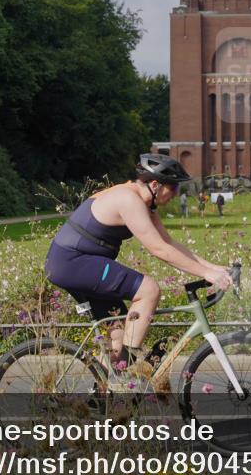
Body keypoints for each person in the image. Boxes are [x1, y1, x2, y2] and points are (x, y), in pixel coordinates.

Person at [44, 154, 232, 385]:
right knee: (149, 290)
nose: (175, 193)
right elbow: (158, 249)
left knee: (119, 335)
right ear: (155, 184)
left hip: (75, 262)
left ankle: (102, 396)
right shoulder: (128, 199)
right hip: (73, 261)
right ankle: (131, 374)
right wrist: (205, 274)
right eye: (172, 187)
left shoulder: (145, 203)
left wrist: (213, 268)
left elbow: (169, 243)